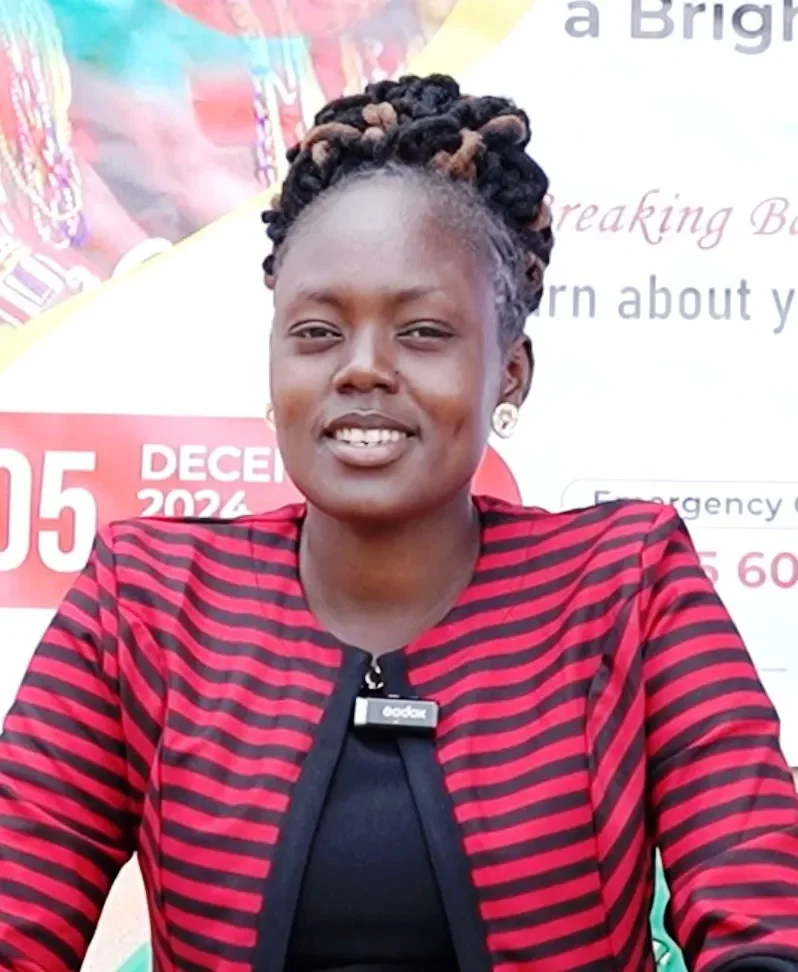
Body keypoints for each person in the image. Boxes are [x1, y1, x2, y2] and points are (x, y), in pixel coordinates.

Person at [1, 73, 797, 972]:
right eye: (315, 332)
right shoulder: (144, 603)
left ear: (511, 373)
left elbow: (764, 922)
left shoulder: (628, 584)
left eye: (422, 332)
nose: (363, 369)